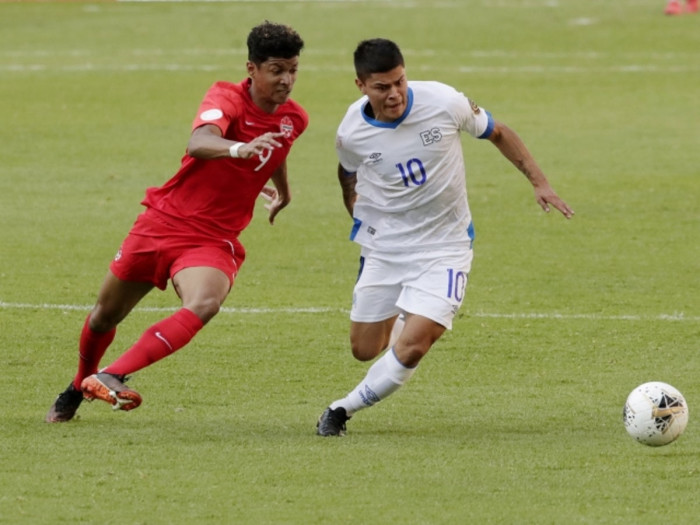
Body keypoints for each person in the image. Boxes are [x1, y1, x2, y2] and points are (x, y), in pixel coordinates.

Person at [45, 21, 308, 423]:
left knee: (205, 302)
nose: (286, 80)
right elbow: (199, 142)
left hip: (214, 237)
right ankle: (79, 385)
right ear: (252, 68)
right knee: (104, 315)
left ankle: (113, 373)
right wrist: (240, 148)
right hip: (165, 220)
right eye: (276, 69)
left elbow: (277, 146)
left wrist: (283, 189)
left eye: (292, 69)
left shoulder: (295, 119)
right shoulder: (226, 96)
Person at [316, 38, 574, 437]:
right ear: (361, 86)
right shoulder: (351, 131)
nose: (395, 94)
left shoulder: (443, 101)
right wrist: (356, 209)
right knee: (364, 349)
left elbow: (498, 132)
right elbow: (347, 170)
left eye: (399, 81)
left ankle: (339, 411)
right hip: (385, 246)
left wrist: (540, 183)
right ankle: (408, 311)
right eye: (382, 87)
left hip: (445, 246)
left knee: (414, 346)